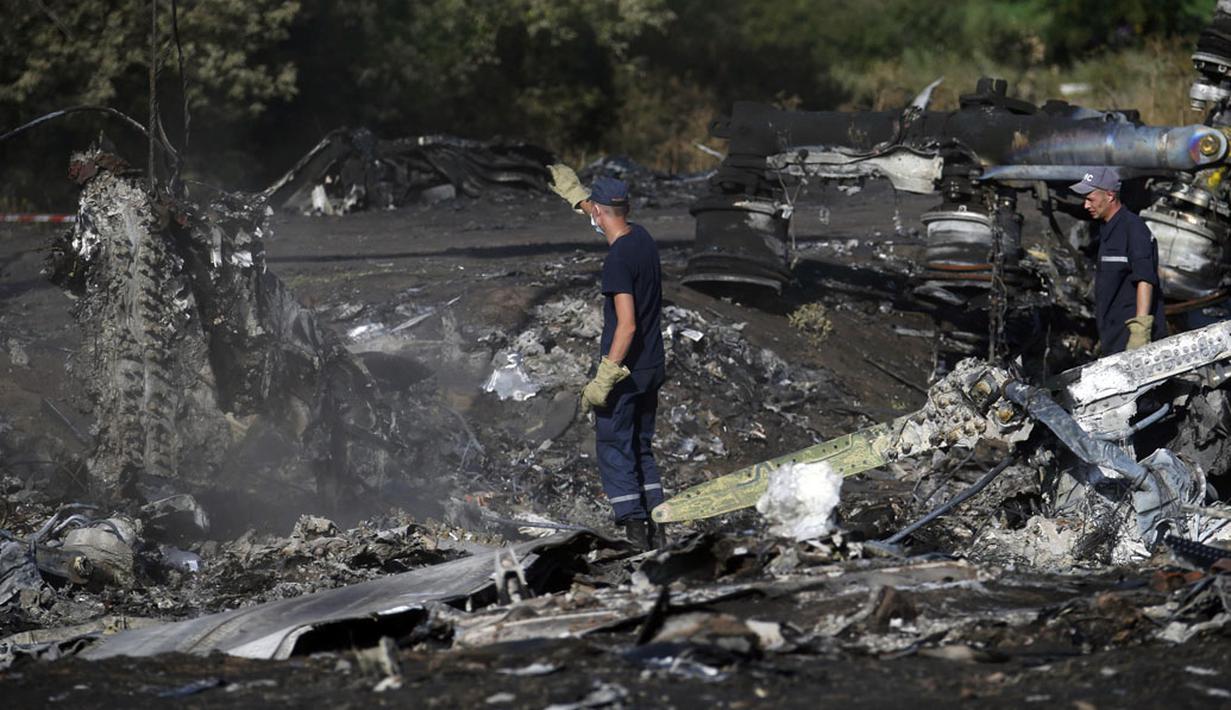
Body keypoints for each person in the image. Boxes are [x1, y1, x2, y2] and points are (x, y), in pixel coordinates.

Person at [548, 165, 667, 549]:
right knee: (641, 446)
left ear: (600, 213)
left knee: (614, 446)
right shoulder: (643, 239)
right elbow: (603, 212)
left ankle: (635, 535)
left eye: (592, 212)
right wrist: (579, 199)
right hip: (651, 366)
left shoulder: (616, 261)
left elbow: (626, 325)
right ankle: (659, 527)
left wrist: (605, 377)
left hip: (624, 371)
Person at [1070, 167, 1167, 354]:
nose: (1086, 205)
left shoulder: (1134, 229)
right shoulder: (1107, 231)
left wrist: (1140, 330)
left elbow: (1145, 280)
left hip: (1133, 341)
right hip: (1112, 337)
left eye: (1090, 199)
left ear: (1110, 195)